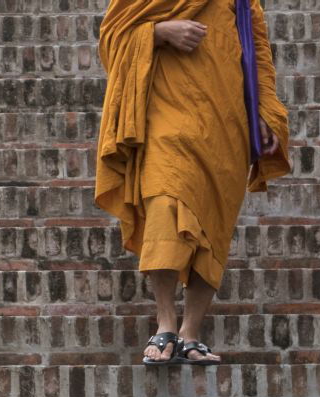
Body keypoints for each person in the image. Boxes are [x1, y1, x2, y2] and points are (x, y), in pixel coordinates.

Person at [95, 0, 290, 365]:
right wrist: (157, 32)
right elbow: (111, 36)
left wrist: (265, 114)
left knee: (212, 222)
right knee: (165, 202)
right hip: (166, 111)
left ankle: (191, 332)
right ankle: (166, 320)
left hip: (225, 116)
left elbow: (257, 50)